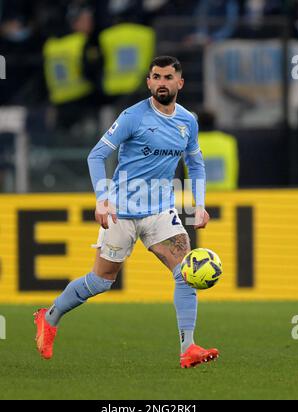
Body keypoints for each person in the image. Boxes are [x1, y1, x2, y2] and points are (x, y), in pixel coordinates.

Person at [33, 56, 219, 369]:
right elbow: (97, 155)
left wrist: (198, 204)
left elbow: (196, 163)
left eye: (168, 77)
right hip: (122, 210)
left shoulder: (188, 121)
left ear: (180, 83)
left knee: (185, 272)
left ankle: (188, 348)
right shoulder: (132, 117)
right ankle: (49, 317)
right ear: (149, 82)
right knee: (102, 281)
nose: (162, 82)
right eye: (156, 77)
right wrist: (102, 199)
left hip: (161, 210)